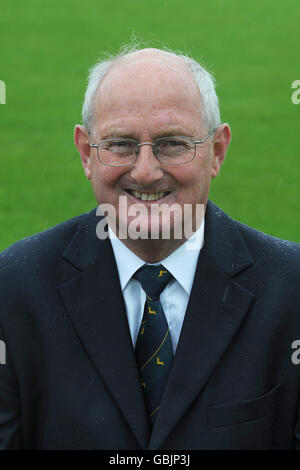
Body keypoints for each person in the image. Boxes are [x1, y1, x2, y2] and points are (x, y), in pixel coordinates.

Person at [0, 45, 300, 450]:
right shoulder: (14, 289)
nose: (144, 172)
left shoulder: (291, 292)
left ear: (217, 151)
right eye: (120, 144)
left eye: (173, 143)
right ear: (87, 153)